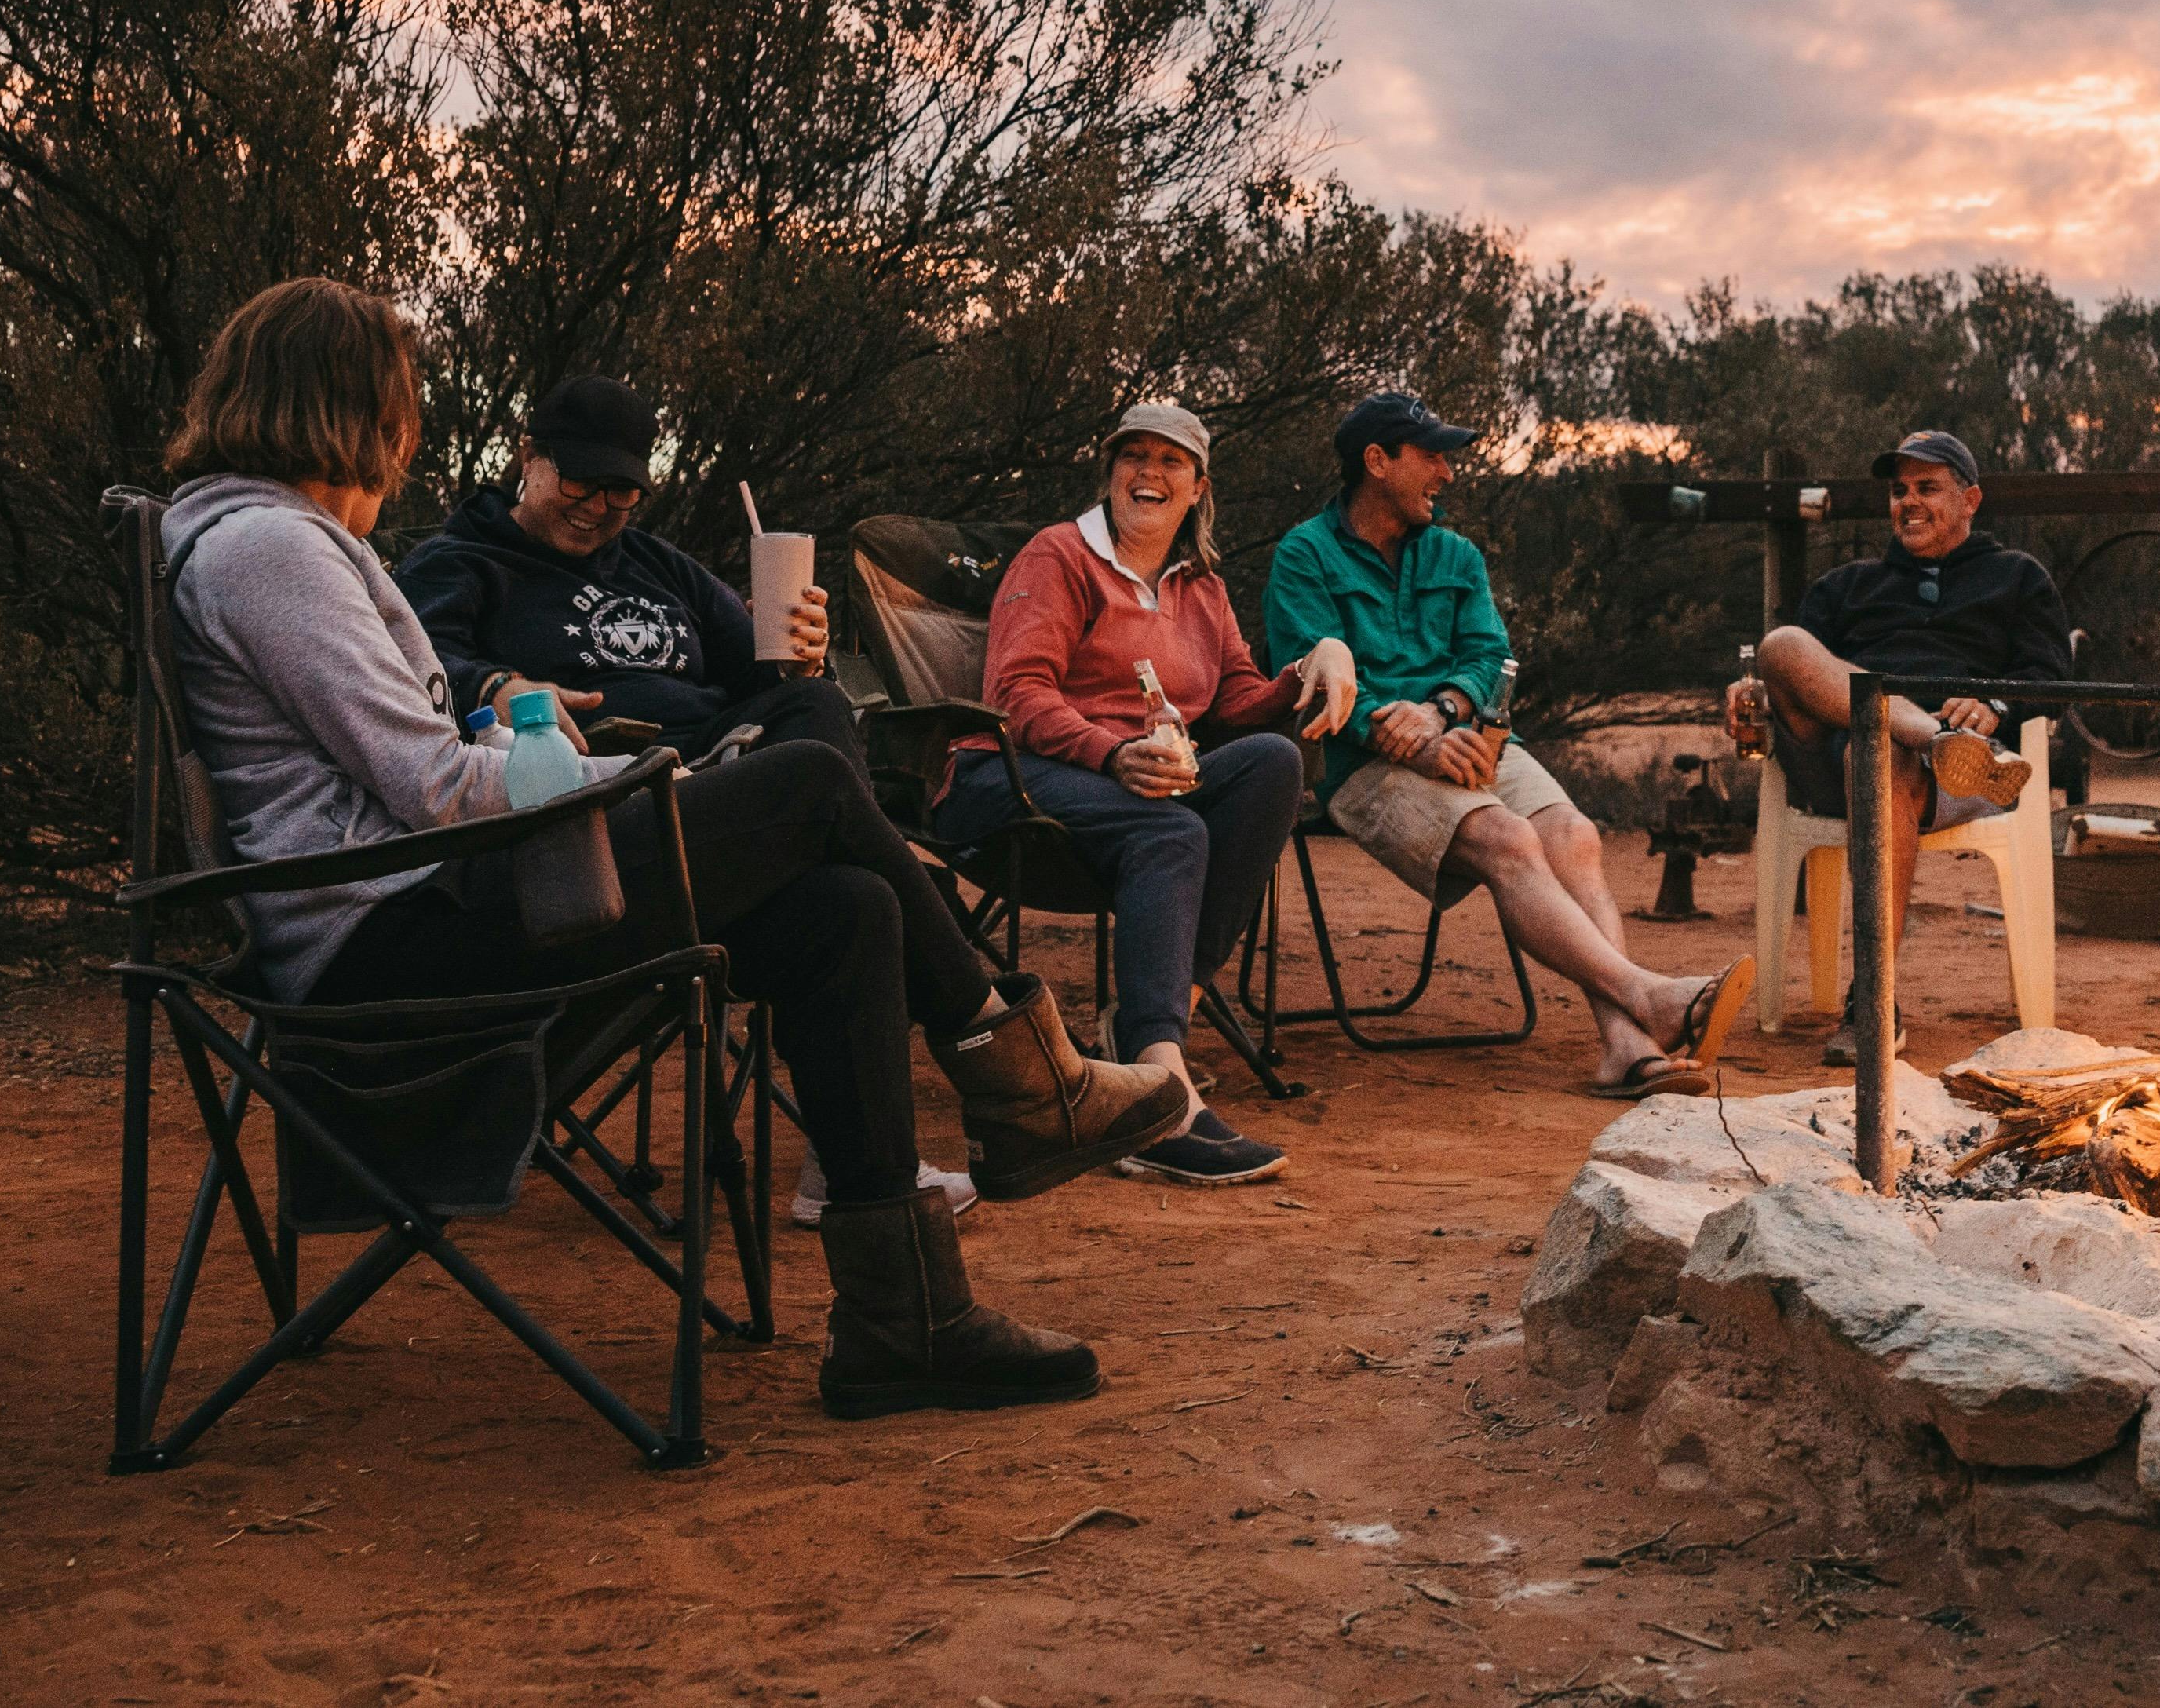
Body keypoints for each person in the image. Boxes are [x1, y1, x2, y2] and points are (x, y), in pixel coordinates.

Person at [162, 279, 1185, 1423]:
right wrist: (651, 782)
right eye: (398, 407)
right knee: (803, 786)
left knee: (846, 906)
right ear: (356, 407)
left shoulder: (271, 540)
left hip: (447, 896)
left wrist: (625, 761)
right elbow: (436, 787)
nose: (405, 438)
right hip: (393, 944)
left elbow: (429, 762)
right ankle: (1024, 1080)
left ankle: (907, 1324)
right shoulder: (270, 550)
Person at [1264, 393, 1753, 1099]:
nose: (1447, 472)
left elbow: (1490, 654)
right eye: (1430, 454)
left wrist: (1442, 713)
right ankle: (1649, 998)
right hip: (1362, 762)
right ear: (1377, 462)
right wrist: (1406, 738)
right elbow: (1308, 676)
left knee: (1574, 834)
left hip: (1466, 737)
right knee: (1506, 838)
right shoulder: (1303, 555)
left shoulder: (1455, 554)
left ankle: (1623, 1043)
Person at [951, 402, 1358, 1189]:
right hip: (1005, 780)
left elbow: (1235, 700)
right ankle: (1156, 1102)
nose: (1148, 472)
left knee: (1271, 762)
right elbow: (1018, 697)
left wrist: (1312, 665)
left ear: (1198, 486)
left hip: (1127, 793)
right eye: (1131, 456)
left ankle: (1161, 1010)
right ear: (1109, 475)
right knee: (1171, 830)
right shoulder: (1057, 557)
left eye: (1169, 461)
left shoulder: (1197, 586)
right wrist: (1114, 754)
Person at [1723, 432, 2071, 1068]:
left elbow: (2054, 676)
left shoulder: (2017, 577)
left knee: (1876, 755)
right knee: (1782, 648)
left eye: (1926, 488)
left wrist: (1997, 706)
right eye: (1899, 490)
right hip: (1833, 761)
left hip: (1953, 781)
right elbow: (1806, 673)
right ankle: (1932, 738)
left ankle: (1874, 997)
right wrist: (1756, 690)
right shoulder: (1849, 585)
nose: (1908, 502)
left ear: (1969, 499)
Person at [399, 374, 854, 769]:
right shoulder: (459, 562)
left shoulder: (657, 563)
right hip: (597, 786)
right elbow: (404, 663)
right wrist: (494, 687)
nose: (597, 507)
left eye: (621, 491)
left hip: (721, 761)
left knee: (818, 703)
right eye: (578, 481)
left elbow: (756, 678)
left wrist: (797, 665)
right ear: (527, 457)